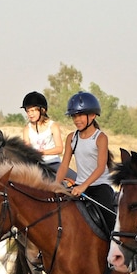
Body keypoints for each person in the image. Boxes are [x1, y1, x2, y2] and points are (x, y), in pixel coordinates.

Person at [54, 91, 116, 232]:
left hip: (100, 186)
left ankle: (116, 249)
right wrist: (55, 184)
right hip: (78, 186)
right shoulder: (72, 137)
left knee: (110, 221)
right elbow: (64, 165)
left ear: (93, 115)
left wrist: (83, 186)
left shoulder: (100, 138)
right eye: (74, 116)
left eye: (81, 115)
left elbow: (100, 167)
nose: (77, 120)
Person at [20, 91, 66, 178]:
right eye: (28, 111)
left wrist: (41, 153)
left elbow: (59, 149)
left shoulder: (53, 126)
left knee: (76, 180)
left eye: (33, 110)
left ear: (43, 110)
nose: (30, 114)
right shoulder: (26, 129)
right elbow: (26, 150)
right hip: (35, 166)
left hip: (53, 163)